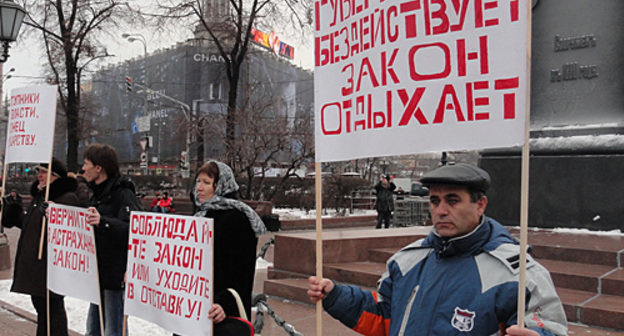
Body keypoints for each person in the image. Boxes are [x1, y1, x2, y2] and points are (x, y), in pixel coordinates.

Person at [308, 163, 567, 336]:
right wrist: (336, 296)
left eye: (452, 200)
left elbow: (547, 327)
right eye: (435, 200)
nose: (441, 210)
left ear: (480, 205)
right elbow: (385, 317)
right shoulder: (406, 260)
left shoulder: (517, 273)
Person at [173, 160, 266, 336]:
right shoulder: (199, 215)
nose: (199, 187)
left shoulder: (237, 219)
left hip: (220, 313)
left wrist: (224, 303)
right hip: (192, 309)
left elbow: (242, 272)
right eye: (198, 181)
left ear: (222, 185)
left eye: (206, 183)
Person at [1, 157, 80, 336]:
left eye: (44, 172)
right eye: (38, 172)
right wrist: (14, 212)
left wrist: (56, 215)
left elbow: (70, 228)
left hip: (50, 268)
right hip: (37, 267)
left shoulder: (65, 198)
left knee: (52, 311)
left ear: (55, 176)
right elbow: (33, 226)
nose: (39, 176)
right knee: (43, 311)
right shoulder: (40, 197)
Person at [81, 144, 143, 336]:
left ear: (98, 168)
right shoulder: (97, 195)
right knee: (93, 330)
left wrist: (103, 222)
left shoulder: (123, 194)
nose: (83, 168)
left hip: (114, 277)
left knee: (113, 331)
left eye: (86, 164)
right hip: (98, 275)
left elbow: (136, 229)